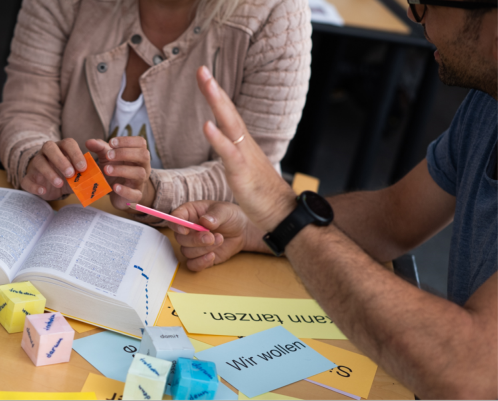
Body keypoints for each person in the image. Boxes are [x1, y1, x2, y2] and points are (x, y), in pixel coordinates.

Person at [169, 2, 497, 398]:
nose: (412, 16)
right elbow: (391, 218)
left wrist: (280, 209)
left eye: (424, 3)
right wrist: (258, 226)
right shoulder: (487, 105)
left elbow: (473, 370)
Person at [0, 0, 311, 223]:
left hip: (189, 244)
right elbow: (27, 107)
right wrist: (34, 157)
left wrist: (152, 192)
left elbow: (256, 172)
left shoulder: (277, 12)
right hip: (60, 221)